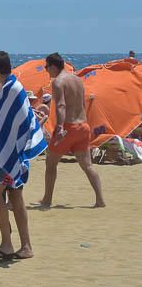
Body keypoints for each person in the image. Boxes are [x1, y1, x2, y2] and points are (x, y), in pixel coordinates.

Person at [0, 51, 47, 260]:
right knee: (15, 196)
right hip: (16, 154)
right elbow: (15, 122)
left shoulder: (11, 89)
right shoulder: (14, 87)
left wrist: (1, 154)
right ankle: (25, 246)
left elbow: (10, 127)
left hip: (13, 155)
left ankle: (7, 244)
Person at [40, 52, 105, 208]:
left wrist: (60, 127)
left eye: (46, 67)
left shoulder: (58, 82)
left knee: (50, 163)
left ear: (53, 66)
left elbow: (61, 105)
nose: (46, 71)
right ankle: (100, 200)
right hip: (83, 126)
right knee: (87, 165)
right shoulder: (77, 79)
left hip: (68, 127)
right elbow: (82, 104)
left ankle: (47, 200)